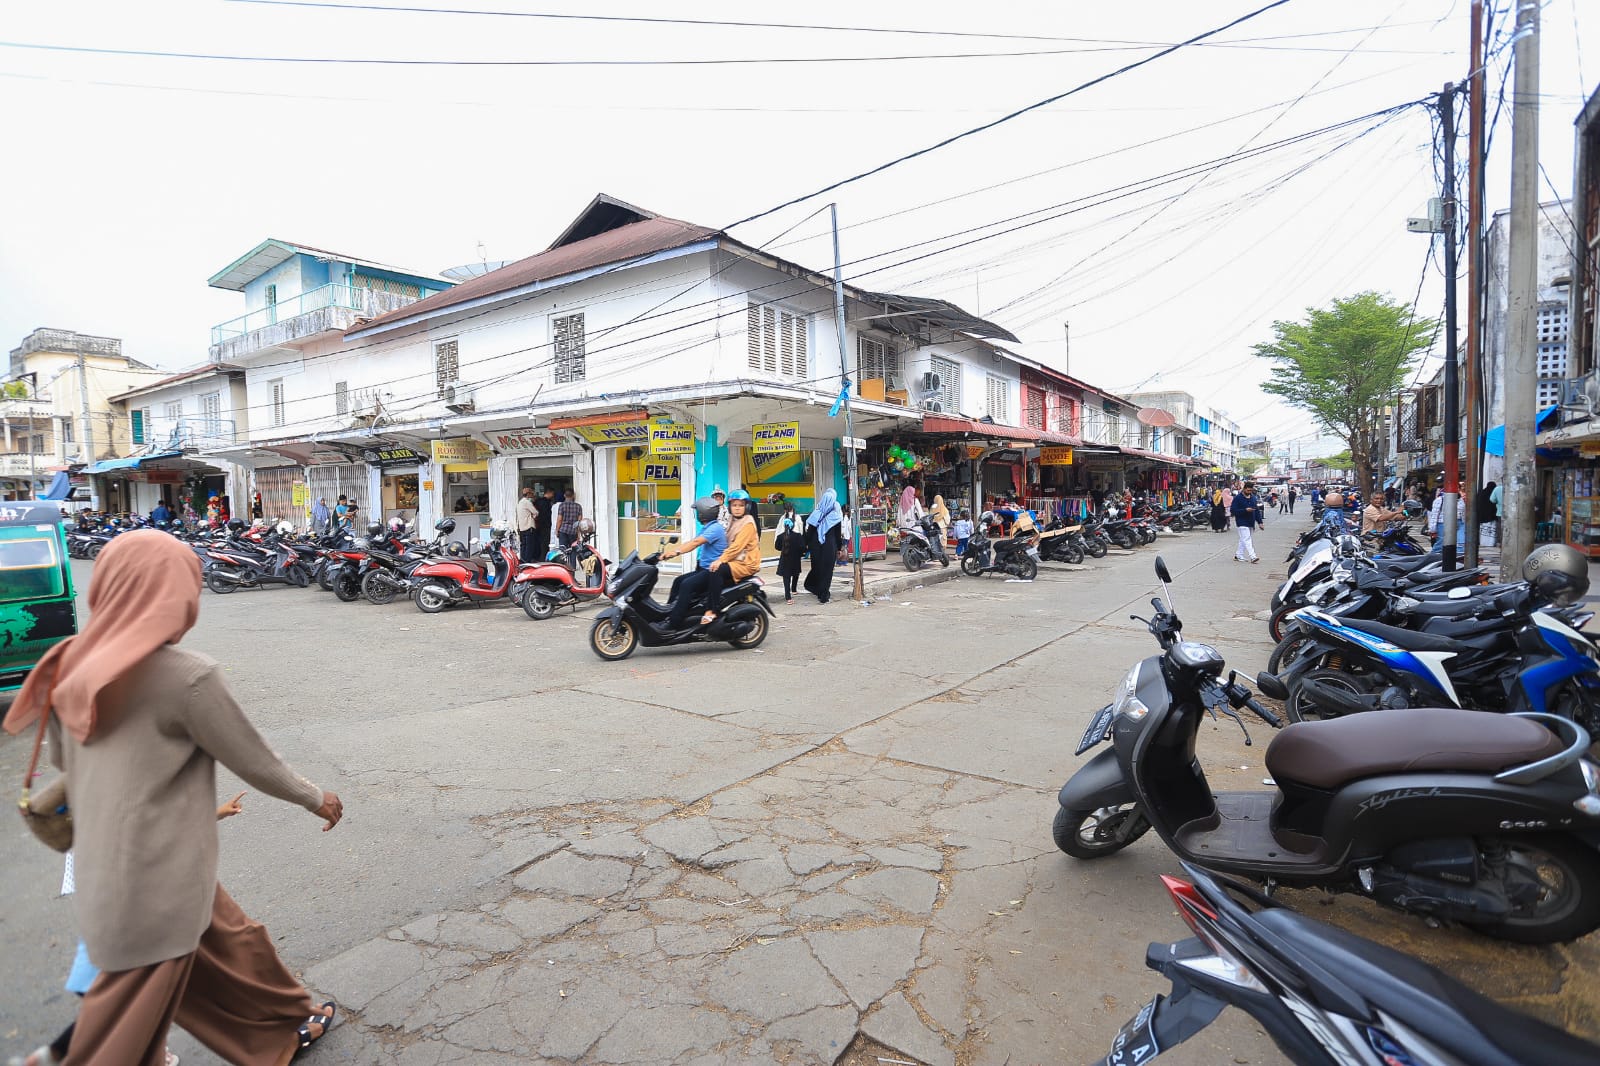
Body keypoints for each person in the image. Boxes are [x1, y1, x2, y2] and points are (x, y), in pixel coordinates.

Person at [2, 530, 344, 1066]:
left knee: (235, 941)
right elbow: (254, 761)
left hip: (116, 869)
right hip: (154, 889)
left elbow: (67, 766)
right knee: (113, 1042)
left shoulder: (69, 664)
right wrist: (314, 797)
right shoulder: (188, 676)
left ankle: (288, 1020)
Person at [661, 497, 729, 624]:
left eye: (698, 511)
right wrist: (671, 551)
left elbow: (696, 543)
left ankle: (675, 621)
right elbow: (692, 542)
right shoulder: (708, 527)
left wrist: (675, 552)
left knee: (687, 585)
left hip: (711, 571)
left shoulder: (715, 529)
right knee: (678, 581)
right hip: (703, 568)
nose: (697, 514)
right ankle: (668, 612)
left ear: (703, 513)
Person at [803, 488, 843, 604]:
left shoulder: (816, 512)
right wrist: (839, 548)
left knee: (817, 568)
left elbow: (809, 532)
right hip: (829, 547)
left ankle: (817, 589)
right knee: (827, 571)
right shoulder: (836, 514)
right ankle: (824, 594)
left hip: (815, 546)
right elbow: (837, 533)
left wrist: (806, 545)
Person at [773, 501, 805, 604]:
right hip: (795, 555)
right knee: (796, 571)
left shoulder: (782, 521)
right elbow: (802, 539)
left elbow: (777, 543)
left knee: (786, 576)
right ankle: (794, 589)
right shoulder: (798, 520)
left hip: (785, 554)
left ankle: (788, 597)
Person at [1230, 481, 1262, 563]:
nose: (1249, 492)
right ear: (1244, 489)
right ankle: (1253, 556)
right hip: (1241, 522)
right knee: (1247, 539)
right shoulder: (1238, 498)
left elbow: (1257, 511)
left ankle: (1238, 555)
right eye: (1248, 491)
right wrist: (1245, 510)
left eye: (1251, 491)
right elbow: (1233, 510)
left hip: (1250, 522)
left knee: (1243, 539)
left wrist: (1260, 522)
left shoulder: (1253, 498)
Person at [515, 487, 539, 563]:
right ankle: (527, 561)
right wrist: (532, 517)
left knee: (523, 546)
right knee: (529, 546)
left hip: (521, 528)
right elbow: (536, 512)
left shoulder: (519, 503)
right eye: (531, 494)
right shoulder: (527, 502)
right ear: (528, 494)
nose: (532, 495)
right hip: (529, 527)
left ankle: (523, 560)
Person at [532, 488, 556, 562]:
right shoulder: (546, 502)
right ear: (548, 493)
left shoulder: (537, 501)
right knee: (545, 542)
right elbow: (547, 514)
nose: (553, 496)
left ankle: (539, 556)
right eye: (552, 494)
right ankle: (544, 556)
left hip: (538, 524)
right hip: (546, 524)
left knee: (539, 541)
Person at [1476, 481, 1499, 546]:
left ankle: (1483, 542)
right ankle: (1490, 544)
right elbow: (1494, 504)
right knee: (1491, 531)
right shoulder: (1493, 493)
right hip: (1490, 516)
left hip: (1482, 516)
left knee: (1483, 531)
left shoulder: (1481, 493)